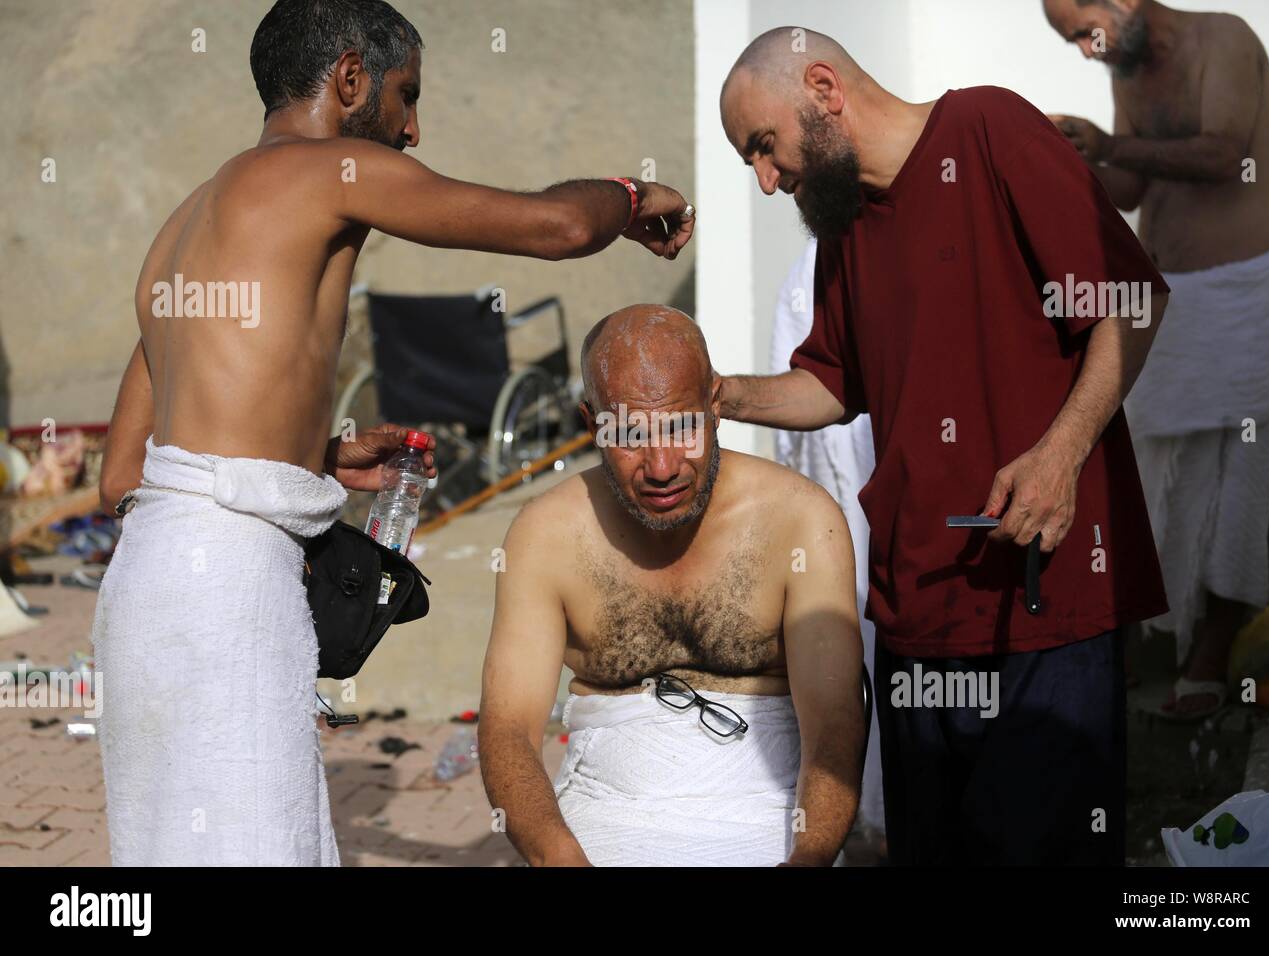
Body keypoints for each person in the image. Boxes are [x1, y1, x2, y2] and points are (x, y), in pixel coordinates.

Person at [92, 0, 693, 866]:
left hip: (145, 593)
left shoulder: (178, 234)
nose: (411, 129)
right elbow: (556, 227)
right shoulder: (329, 169)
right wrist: (636, 195)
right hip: (225, 593)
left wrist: (319, 458)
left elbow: (127, 475)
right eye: (405, 95)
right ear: (348, 79)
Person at [716, 27, 1169, 864]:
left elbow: (1130, 300)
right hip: (916, 616)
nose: (767, 179)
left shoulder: (990, 130)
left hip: (1043, 602)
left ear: (823, 87)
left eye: (764, 147)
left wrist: (1061, 453)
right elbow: (834, 382)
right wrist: (716, 397)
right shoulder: (846, 223)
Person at [478, 305, 865, 867]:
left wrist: (809, 857)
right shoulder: (545, 534)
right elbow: (508, 727)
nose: (661, 466)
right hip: (601, 816)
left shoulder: (801, 519)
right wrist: (560, 859)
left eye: (682, 426)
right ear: (593, 423)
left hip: (772, 814)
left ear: (713, 406)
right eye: (632, 434)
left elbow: (835, 718)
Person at [1042, 0, 1269, 720]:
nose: (1088, 52)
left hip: (1240, 293)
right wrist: (1075, 161)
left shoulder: (1224, 38)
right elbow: (1136, 186)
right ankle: (1146, 641)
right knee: (1148, 478)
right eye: (1074, 44)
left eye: (1085, 32)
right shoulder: (1129, 68)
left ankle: (1210, 653)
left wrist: (1109, 145)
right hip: (1163, 302)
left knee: (1234, 480)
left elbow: (1223, 154)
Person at [768, 238, 883, 841]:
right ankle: (851, 823)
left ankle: (879, 823)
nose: (768, 179)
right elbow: (808, 394)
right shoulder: (814, 266)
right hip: (841, 509)